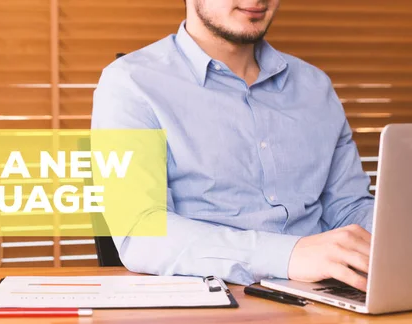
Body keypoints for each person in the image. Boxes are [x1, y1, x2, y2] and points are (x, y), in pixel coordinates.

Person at [91, 0, 374, 291]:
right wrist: (288, 255)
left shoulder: (314, 86)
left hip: (329, 294)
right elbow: (141, 234)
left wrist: (398, 236)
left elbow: (349, 207)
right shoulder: (130, 82)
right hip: (210, 304)